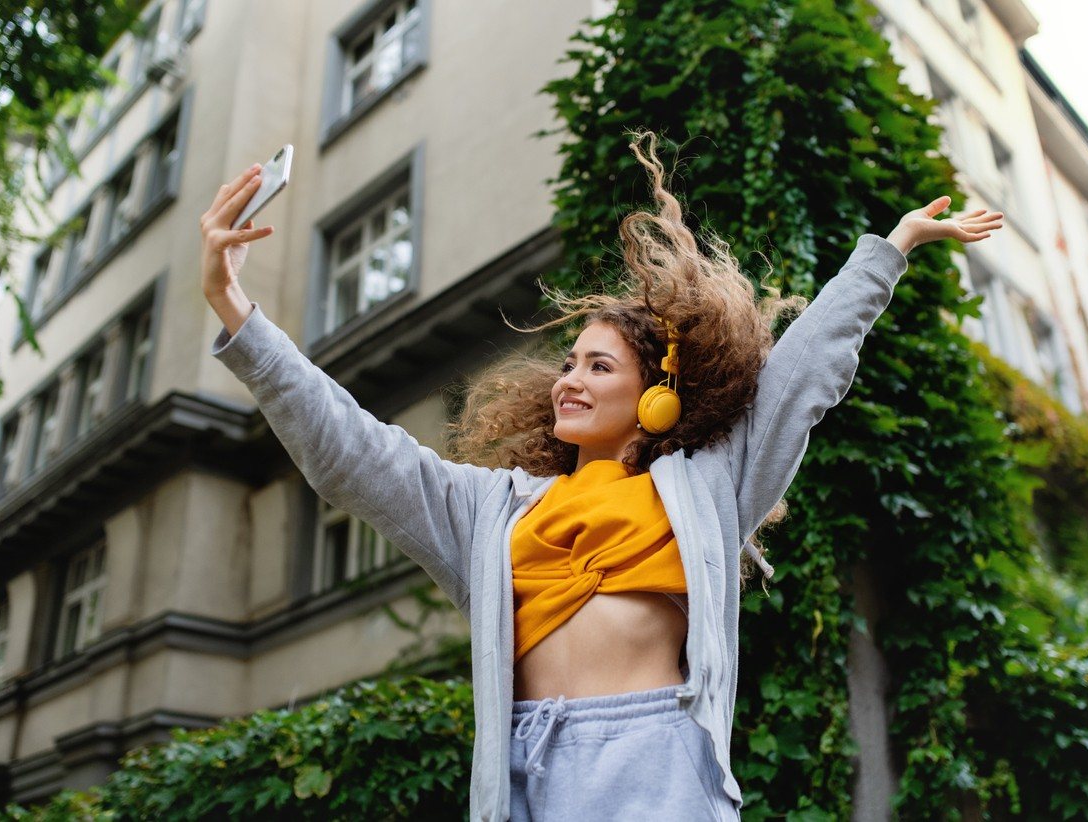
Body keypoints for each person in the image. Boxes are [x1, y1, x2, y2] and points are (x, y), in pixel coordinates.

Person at [202, 130, 1002, 821]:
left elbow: (799, 380)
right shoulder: (490, 512)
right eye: (567, 363)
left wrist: (887, 251)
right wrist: (235, 311)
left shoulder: (707, 488)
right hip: (524, 769)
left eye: (597, 364)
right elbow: (352, 451)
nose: (567, 380)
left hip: (656, 761)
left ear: (655, 392)